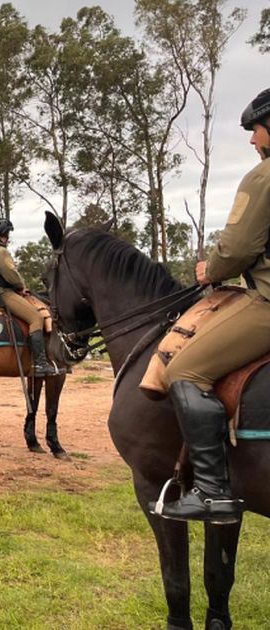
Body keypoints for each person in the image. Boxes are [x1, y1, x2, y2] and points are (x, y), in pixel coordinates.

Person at [150, 87, 270, 524]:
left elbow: (238, 247)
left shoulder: (263, 176)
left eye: (255, 130)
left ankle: (213, 493)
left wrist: (211, 270)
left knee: (185, 369)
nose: (253, 140)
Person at [0, 218, 56, 377]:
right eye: (8, 234)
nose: (8, 237)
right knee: (36, 318)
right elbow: (12, 275)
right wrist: (21, 286)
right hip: (3, 293)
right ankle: (40, 363)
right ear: (4, 234)